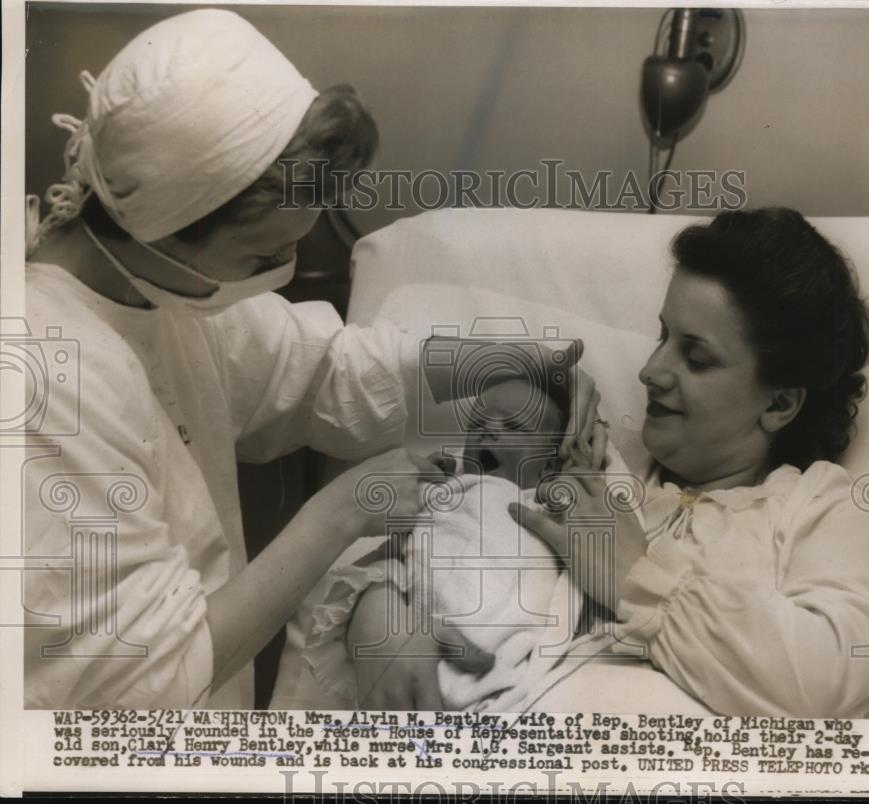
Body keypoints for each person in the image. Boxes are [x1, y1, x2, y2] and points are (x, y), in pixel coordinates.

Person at [21, 9, 602, 710]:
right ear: (161, 232)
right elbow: (134, 685)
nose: (284, 270)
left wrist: (514, 364)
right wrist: (344, 512)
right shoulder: (42, 383)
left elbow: (327, 374)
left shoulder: (163, 294)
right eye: (262, 258)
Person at [511, 208, 869, 717]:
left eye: (696, 359)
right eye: (662, 338)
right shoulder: (599, 462)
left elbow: (834, 682)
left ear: (780, 403)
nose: (649, 370)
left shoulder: (822, 508)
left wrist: (637, 577)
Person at [303, 376, 628, 711]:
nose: (488, 429)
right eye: (477, 423)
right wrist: (433, 480)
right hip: (421, 638)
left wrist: (579, 465)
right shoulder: (448, 491)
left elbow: (604, 497)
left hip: (505, 660)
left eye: (514, 426)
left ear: (548, 463)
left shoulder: (546, 504)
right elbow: (397, 550)